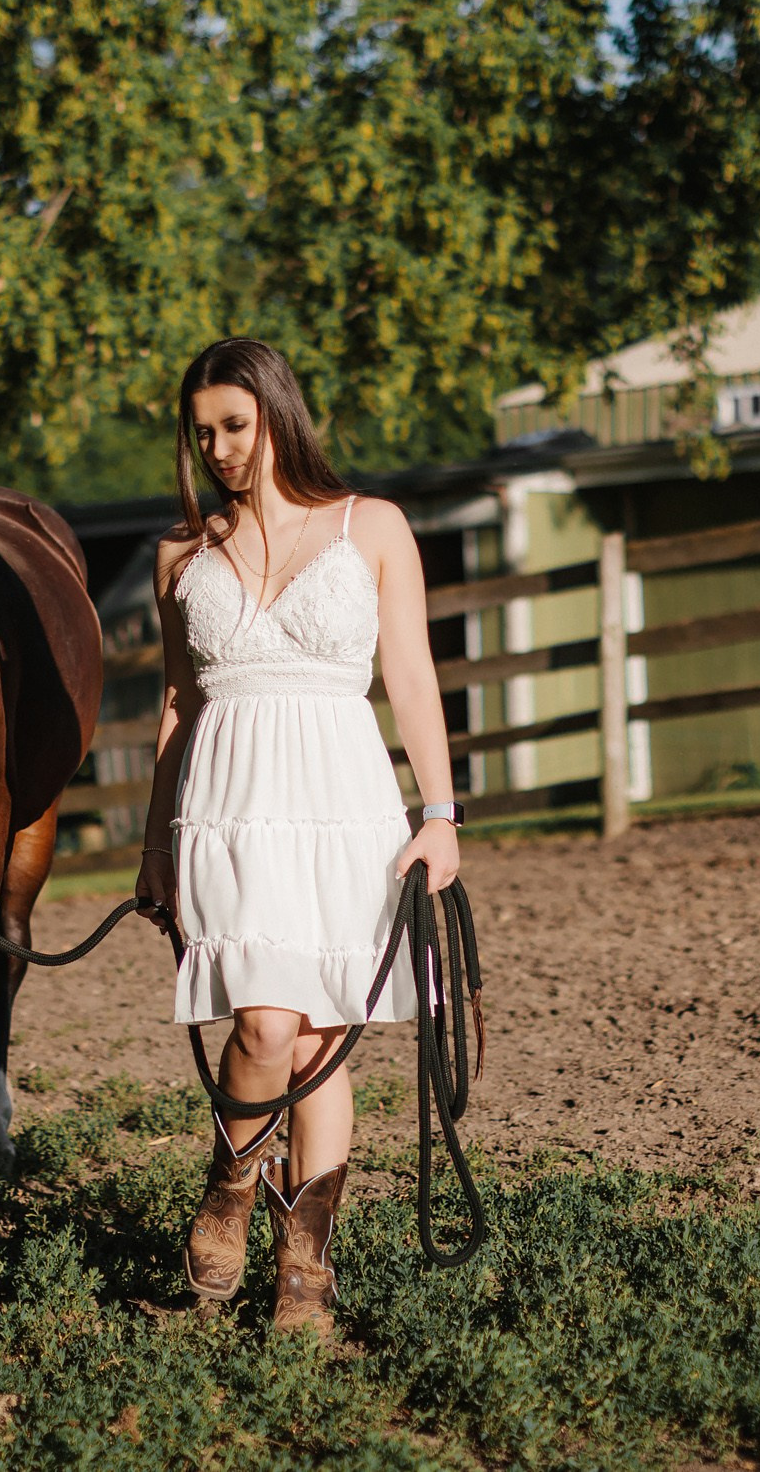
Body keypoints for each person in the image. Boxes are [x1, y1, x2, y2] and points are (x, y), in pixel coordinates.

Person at [134, 338, 463, 1340]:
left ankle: (303, 1280)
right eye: (203, 433)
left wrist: (439, 816)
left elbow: (409, 674)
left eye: (234, 424)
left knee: (318, 1042)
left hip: (344, 803)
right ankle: (228, 1195)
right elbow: (177, 708)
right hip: (226, 808)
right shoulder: (181, 555)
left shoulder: (372, 526)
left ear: (277, 413)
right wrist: (154, 847)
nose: (220, 448)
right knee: (265, 1026)